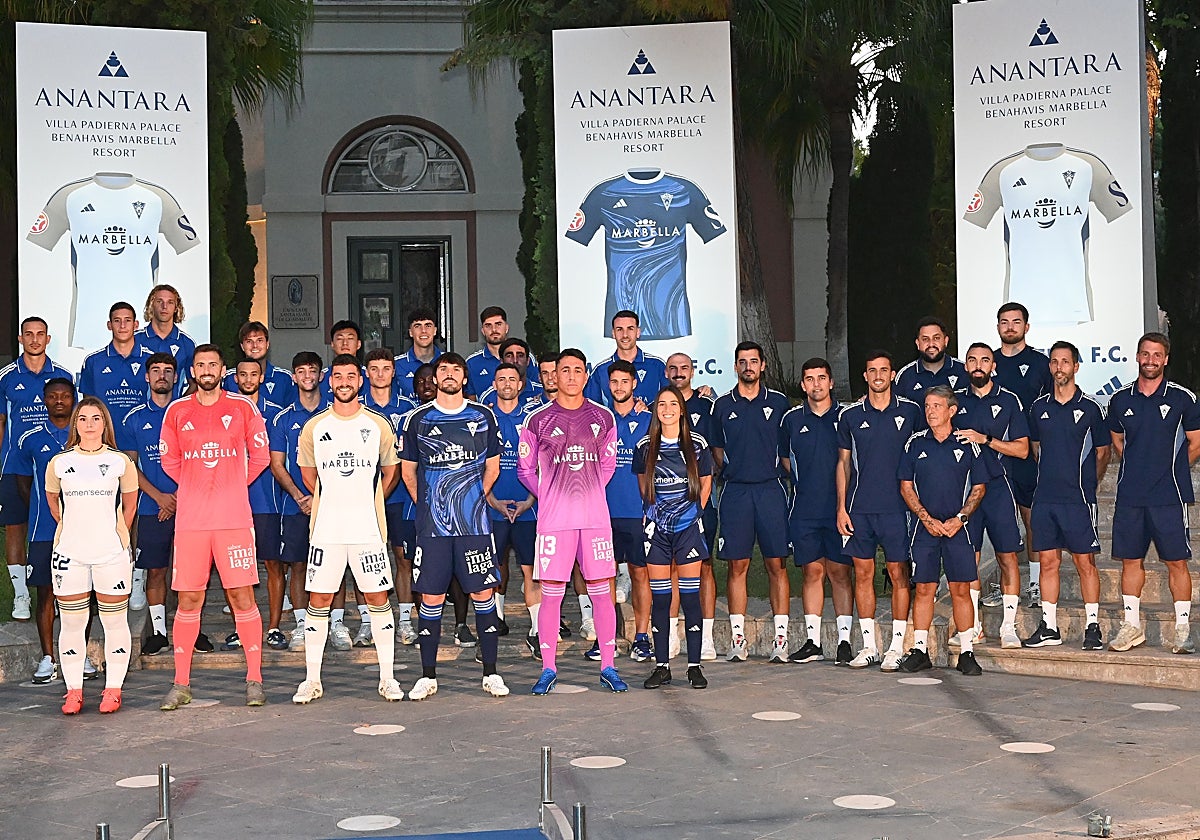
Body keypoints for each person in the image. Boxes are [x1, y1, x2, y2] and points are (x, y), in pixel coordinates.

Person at [158, 344, 271, 710]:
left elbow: (261, 455)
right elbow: (170, 460)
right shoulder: (177, 411)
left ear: (223, 370)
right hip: (192, 523)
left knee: (242, 596)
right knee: (189, 599)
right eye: (200, 364)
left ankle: (254, 678)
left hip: (233, 520)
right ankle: (180, 683)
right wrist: (195, 485)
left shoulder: (241, 407)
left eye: (213, 364)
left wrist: (232, 483)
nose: (206, 369)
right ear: (192, 372)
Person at [291, 355, 404, 704]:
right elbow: (309, 475)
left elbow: (391, 471)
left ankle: (388, 678)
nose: (344, 382)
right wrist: (333, 499)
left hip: (367, 529)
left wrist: (369, 501)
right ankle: (312, 679)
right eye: (337, 376)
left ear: (360, 380)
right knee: (319, 600)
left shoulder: (377, 424)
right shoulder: (315, 427)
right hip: (326, 529)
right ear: (329, 381)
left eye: (350, 376)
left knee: (378, 599)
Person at [400, 352, 509, 699]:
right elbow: (408, 473)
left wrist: (473, 499)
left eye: (455, 370)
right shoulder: (418, 419)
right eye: (442, 369)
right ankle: (428, 675)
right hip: (433, 528)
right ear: (434, 378)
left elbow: (493, 468)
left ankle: (490, 672)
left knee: (483, 594)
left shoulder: (483, 416)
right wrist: (432, 505)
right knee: (430, 596)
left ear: (464, 378)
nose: (448, 375)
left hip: (474, 525)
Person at [518, 348, 626, 694]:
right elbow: (524, 470)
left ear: (585, 376)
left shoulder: (604, 417)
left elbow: (607, 466)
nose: (571, 377)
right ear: (555, 376)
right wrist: (551, 493)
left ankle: (608, 665)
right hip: (555, 522)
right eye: (564, 370)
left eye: (578, 370)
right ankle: (548, 667)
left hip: (594, 520)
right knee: (551, 596)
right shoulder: (537, 420)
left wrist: (586, 491)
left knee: (601, 595)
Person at [1106, 333, 1200, 654]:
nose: (1150, 360)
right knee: (1130, 562)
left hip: (1169, 496)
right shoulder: (1120, 400)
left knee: (1177, 563)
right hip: (1130, 497)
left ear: (1166, 359)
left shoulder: (1183, 398)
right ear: (1137, 357)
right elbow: (1117, 441)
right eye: (1145, 354)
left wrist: (1169, 470)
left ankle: (1183, 629)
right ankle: (1132, 626)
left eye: (1156, 355)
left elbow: (1195, 443)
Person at [45, 397, 140, 713]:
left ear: (104, 423)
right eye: (82, 418)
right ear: (75, 424)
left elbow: (130, 506)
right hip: (70, 554)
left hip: (111, 554)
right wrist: (73, 529)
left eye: (95, 418)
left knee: (115, 623)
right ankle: (73, 691)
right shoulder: (59, 462)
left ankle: (113, 689)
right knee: (72, 623)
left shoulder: (121, 462)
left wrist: (115, 536)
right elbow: (53, 502)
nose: (89, 424)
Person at [898, 386, 1000, 676]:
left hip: (960, 530)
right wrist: (926, 518)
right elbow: (906, 486)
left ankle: (967, 652)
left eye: (937, 406)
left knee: (960, 589)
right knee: (925, 590)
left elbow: (979, 487)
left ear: (951, 410)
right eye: (927, 406)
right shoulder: (915, 443)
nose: (930, 411)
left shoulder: (968, 444)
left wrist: (960, 519)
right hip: (924, 529)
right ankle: (920, 650)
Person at [836, 351, 924, 670]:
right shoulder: (850, 416)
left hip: (898, 510)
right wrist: (841, 509)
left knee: (899, 574)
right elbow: (843, 464)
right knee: (863, 574)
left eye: (883, 370)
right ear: (865, 376)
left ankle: (897, 646)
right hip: (860, 510)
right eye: (872, 370)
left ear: (892, 374)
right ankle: (870, 645)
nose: (877, 376)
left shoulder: (912, 411)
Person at [710, 342, 791, 663]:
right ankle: (738, 639)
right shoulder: (721, 406)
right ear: (735, 367)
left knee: (777, 565)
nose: (748, 367)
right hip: (736, 492)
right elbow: (717, 451)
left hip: (771, 490)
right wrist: (732, 470)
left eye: (753, 362)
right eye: (742, 362)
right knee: (737, 565)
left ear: (763, 366)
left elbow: (786, 450)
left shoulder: (780, 403)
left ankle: (781, 640)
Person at [1025, 342, 1110, 650]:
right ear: (1050, 367)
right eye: (1054, 362)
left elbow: (1103, 453)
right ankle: (1049, 626)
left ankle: (1092, 626)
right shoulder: (1038, 408)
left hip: (1078, 500)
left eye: (1065, 362)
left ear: (1076, 366)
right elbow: (1036, 448)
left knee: (1085, 562)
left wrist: (1087, 485)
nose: (1059, 367)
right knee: (1047, 561)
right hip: (1045, 499)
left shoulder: (1091, 408)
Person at [633, 385, 713, 689]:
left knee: (691, 597)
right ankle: (662, 665)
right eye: (661, 404)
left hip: (688, 530)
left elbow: (705, 484)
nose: (667, 409)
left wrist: (690, 516)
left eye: (673, 403)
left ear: (682, 409)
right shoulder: (645, 446)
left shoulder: (697, 443)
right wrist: (660, 516)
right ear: (656, 410)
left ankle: (694, 665)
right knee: (662, 598)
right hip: (657, 531)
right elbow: (643, 486)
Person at [953, 342, 1030, 648]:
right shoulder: (955, 402)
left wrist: (985, 439)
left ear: (993, 365)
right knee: (967, 561)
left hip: (999, 487)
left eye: (984, 360)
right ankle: (974, 627)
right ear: (966, 366)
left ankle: (1008, 627)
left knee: (1007, 556)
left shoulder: (1009, 400)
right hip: (967, 491)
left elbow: (1023, 449)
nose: (978, 365)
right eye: (972, 360)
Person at [779, 358, 854, 664]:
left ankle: (845, 642)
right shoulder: (792, 420)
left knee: (839, 572)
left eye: (821, 378)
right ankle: (812, 642)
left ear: (831, 382)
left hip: (839, 509)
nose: (816, 384)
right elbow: (784, 458)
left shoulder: (847, 417)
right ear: (802, 385)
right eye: (809, 379)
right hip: (804, 509)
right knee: (812, 571)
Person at [1, 317, 75, 622]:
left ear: (47, 338)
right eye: (28, 335)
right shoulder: (6, 376)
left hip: (54, 461)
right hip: (15, 463)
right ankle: (21, 594)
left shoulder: (63, 376)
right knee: (18, 527)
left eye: (40, 334)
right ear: (21, 339)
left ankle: (58, 591)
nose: (34, 339)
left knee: (60, 525)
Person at [120, 354, 182, 656]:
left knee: (188, 572)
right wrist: (159, 497)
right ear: (147, 377)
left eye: (168, 371)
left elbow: (198, 459)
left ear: (176, 377)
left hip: (189, 506)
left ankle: (190, 630)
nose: (161, 376)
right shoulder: (133, 418)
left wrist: (179, 497)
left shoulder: (188, 412)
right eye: (155, 371)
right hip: (151, 507)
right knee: (156, 571)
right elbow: (130, 465)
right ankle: (158, 632)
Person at [992, 302, 1053, 609]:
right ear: (998, 326)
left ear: (1026, 327)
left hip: (1028, 455)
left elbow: (1054, 405)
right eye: (1005, 322)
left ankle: (1034, 584)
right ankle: (1003, 585)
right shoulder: (987, 362)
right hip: (994, 457)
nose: (1010, 327)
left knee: (1032, 521)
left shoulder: (1041, 363)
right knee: (1001, 523)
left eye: (1016, 322)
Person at [15, 378, 76, 683]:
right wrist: (46, 508)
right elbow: (23, 482)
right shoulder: (30, 438)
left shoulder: (85, 436)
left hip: (81, 532)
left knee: (81, 596)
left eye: (65, 396)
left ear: (74, 399)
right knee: (46, 595)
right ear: (44, 400)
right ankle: (48, 658)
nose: (59, 400)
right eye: (53, 396)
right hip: (43, 531)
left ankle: (76, 656)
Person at [269, 352, 331, 651]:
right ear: (293, 377)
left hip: (332, 505)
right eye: (301, 371)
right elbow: (277, 464)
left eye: (313, 371)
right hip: (296, 505)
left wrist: (323, 498)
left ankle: (336, 622)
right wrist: (300, 496)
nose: (307, 376)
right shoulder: (283, 418)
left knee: (335, 563)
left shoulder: (335, 413)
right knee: (298, 565)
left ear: (322, 376)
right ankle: (302, 624)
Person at [363, 348, 419, 645]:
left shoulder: (409, 408)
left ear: (393, 372)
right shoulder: (356, 407)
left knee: (402, 558)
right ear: (367, 373)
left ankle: (406, 621)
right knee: (364, 558)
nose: (381, 374)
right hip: (361, 495)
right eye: (375, 369)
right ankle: (365, 621)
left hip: (400, 497)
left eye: (386, 368)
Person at [229, 358, 285, 651]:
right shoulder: (224, 410)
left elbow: (275, 460)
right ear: (235, 378)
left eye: (254, 374)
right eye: (242, 374)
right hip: (232, 503)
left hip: (268, 500)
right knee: (234, 567)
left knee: (273, 564)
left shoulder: (275, 415)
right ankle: (241, 627)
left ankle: (274, 627)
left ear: (262, 378)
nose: (248, 379)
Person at [666, 352, 718, 659]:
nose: (678, 372)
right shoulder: (660, 408)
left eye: (684, 367)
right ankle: (671, 635)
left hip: (699, 505)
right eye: (672, 368)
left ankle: (707, 637)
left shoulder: (706, 406)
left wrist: (699, 504)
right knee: (671, 568)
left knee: (705, 567)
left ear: (693, 371)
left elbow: (714, 456)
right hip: (667, 506)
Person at [485, 363, 539, 651]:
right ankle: (493, 623)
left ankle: (536, 630)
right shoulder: (484, 417)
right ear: (494, 384)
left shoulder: (533, 418)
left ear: (521, 384)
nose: (507, 383)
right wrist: (492, 499)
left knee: (531, 570)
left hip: (529, 508)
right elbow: (477, 464)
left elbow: (543, 461)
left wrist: (531, 499)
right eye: (501, 378)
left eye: (512, 379)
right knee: (492, 569)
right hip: (492, 508)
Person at [604, 360, 653, 661]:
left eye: (625, 381)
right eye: (614, 382)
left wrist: (653, 505)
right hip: (603, 512)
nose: (620, 387)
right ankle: (607, 637)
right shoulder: (601, 419)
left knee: (639, 574)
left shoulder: (649, 421)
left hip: (637, 512)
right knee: (604, 577)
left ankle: (642, 637)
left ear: (634, 384)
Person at [78, 302, 154, 422]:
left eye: (127, 320)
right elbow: (88, 405)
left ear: (136, 325)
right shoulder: (93, 361)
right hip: (105, 435)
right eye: (117, 320)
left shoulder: (152, 360)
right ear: (109, 325)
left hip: (142, 433)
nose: (122, 326)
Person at [583, 310, 667, 408]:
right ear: (613, 333)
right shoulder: (601, 370)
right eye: (619, 329)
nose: (625, 335)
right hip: (615, 423)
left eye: (630, 329)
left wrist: (648, 412)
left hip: (650, 423)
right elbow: (591, 408)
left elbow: (670, 401)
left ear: (638, 332)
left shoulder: (657, 365)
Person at [467, 306, 541, 397]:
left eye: (498, 324)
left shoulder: (523, 357)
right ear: (483, 331)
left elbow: (536, 389)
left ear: (506, 328)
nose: (494, 330)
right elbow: (471, 398)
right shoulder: (472, 363)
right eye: (488, 325)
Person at [221, 322, 297, 408]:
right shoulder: (228, 378)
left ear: (267, 344)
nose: (255, 346)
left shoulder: (284, 378)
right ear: (242, 346)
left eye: (259, 340)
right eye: (249, 341)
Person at [893, 317, 968, 402]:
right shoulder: (905, 376)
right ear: (918, 343)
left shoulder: (963, 371)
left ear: (946, 341)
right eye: (925, 339)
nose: (931, 344)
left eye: (936, 338)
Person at [139, 284, 196, 395]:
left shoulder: (186, 343)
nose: (164, 306)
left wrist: (178, 406)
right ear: (151, 305)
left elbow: (194, 384)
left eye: (170, 302)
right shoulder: (135, 339)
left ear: (176, 307)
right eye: (159, 301)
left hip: (172, 411)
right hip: (139, 410)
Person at [394, 309, 442, 399]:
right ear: (410, 332)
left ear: (435, 331)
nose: (423, 330)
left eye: (428, 325)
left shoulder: (448, 362)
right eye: (417, 326)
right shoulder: (396, 364)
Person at [320, 320, 366, 399]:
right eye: (340, 339)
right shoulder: (322, 378)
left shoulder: (369, 376)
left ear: (359, 344)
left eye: (350, 338)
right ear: (332, 344)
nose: (345, 343)